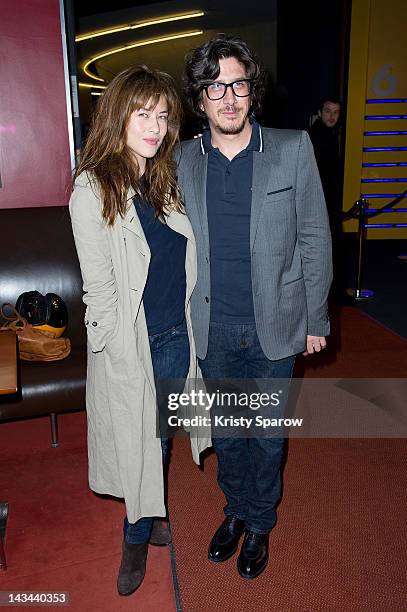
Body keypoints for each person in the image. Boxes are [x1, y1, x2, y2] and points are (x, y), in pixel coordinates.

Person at [177, 35, 332, 580]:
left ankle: (260, 522)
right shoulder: (181, 161)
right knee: (227, 434)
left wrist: (317, 317)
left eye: (237, 83)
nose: (228, 96)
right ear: (200, 99)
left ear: (251, 90)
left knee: (266, 438)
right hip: (213, 326)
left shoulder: (291, 148)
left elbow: (314, 233)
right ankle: (235, 512)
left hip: (277, 323)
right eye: (215, 86)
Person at [69, 65, 210, 597]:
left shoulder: (161, 177)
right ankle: (135, 534)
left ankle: (149, 513)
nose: (154, 126)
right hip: (133, 345)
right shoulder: (93, 187)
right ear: (118, 115)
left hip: (176, 336)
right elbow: (98, 287)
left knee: (161, 439)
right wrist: (111, 353)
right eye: (143, 113)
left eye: (162, 115)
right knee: (136, 443)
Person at [309, 97, 346, 301]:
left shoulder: (328, 135)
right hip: (321, 203)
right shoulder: (316, 136)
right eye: (328, 111)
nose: (332, 116)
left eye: (336, 112)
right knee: (327, 249)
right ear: (320, 112)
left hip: (327, 202)